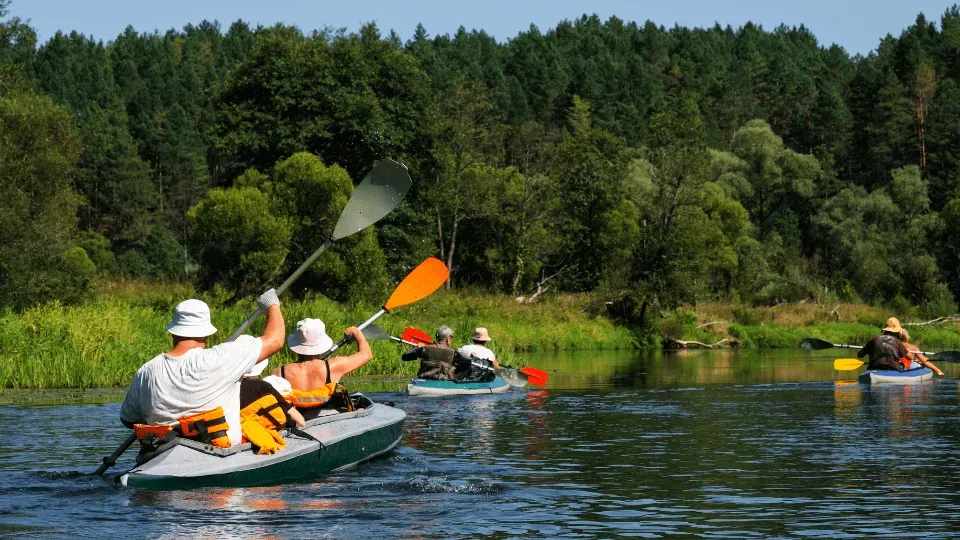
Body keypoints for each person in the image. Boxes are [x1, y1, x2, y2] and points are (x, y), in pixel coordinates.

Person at [120, 291, 285, 448]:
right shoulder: (220, 358)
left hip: (161, 450)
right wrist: (272, 304)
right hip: (214, 450)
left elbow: (128, 420)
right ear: (206, 334)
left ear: (173, 332)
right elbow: (275, 340)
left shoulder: (146, 371)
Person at [269, 318, 370, 411]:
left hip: (299, 423)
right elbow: (366, 354)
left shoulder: (278, 373)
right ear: (321, 343)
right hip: (327, 421)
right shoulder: (333, 367)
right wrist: (357, 334)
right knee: (361, 409)